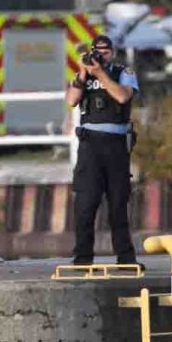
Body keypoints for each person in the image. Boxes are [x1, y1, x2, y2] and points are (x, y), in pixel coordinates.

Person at [66, 35, 145, 270]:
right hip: (90, 145)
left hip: (116, 145)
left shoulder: (123, 72)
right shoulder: (83, 74)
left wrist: (101, 73)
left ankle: (125, 258)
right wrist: (83, 73)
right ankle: (82, 258)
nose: (101, 55)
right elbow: (72, 100)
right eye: (97, 51)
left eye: (106, 51)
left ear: (113, 53)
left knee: (118, 201)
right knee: (85, 202)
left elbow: (122, 96)